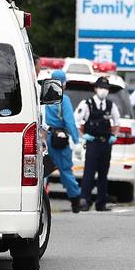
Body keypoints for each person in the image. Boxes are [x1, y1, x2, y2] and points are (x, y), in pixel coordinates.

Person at [74, 76, 121, 212]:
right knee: (89, 173)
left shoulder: (111, 105)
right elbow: (77, 121)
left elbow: (117, 123)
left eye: (106, 88)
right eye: (101, 88)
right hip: (92, 142)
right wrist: (83, 136)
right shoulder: (86, 104)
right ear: (95, 88)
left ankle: (101, 203)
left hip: (106, 143)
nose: (103, 91)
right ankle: (84, 201)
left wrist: (114, 136)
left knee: (103, 174)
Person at [44, 70, 83, 213]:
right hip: (58, 139)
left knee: (42, 172)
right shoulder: (63, 100)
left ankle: (40, 201)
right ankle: (76, 201)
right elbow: (70, 122)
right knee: (65, 170)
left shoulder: (42, 97)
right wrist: (76, 140)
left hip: (43, 138)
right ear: (63, 84)